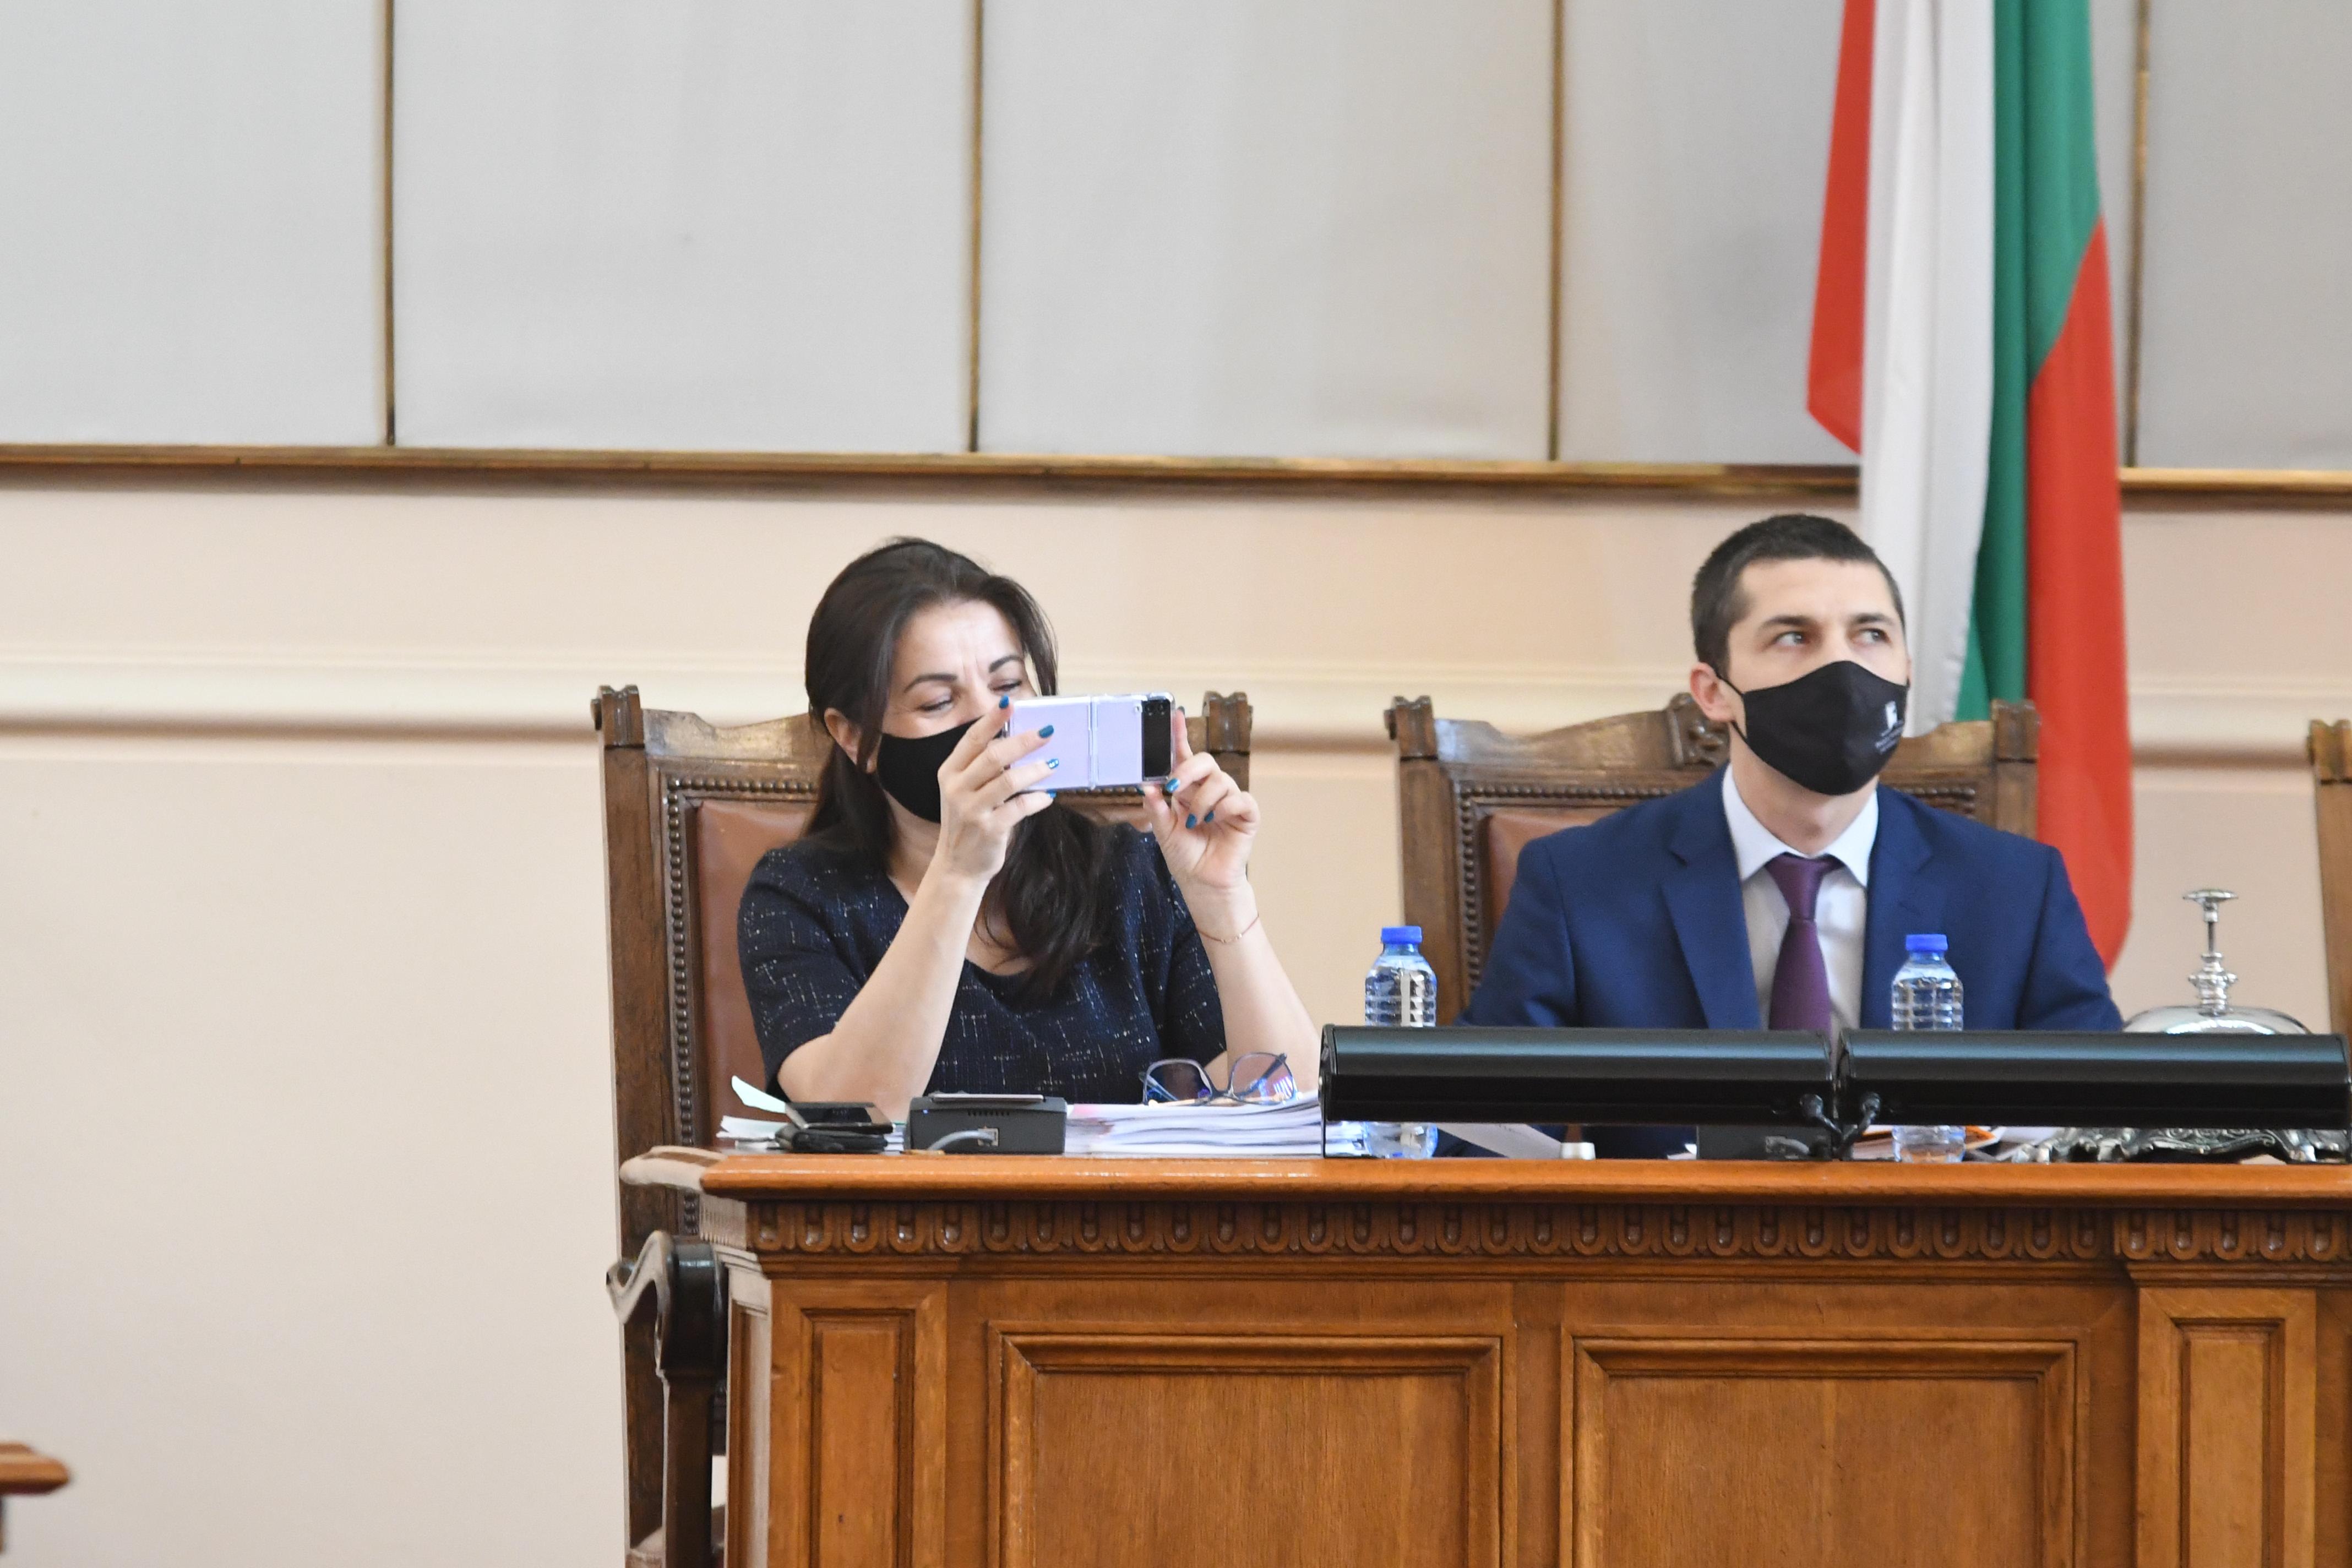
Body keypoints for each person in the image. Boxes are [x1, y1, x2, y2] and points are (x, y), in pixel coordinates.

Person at [1466, 513, 2121, 1156]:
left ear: (1906, 669)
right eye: (1793, 637)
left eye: (1870, 635)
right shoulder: (1580, 882)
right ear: (1713, 692)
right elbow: (1483, 1131)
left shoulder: (2016, 887)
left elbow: (2106, 1125)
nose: (1842, 666)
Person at [739, 537, 1318, 1120]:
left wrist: (1222, 899)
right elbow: (854, 1112)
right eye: (938, 702)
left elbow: (1288, 1100)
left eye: (1008, 686)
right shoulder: (799, 896)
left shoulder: (1134, 874)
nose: (990, 722)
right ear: (852, 737)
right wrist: (958, 874)